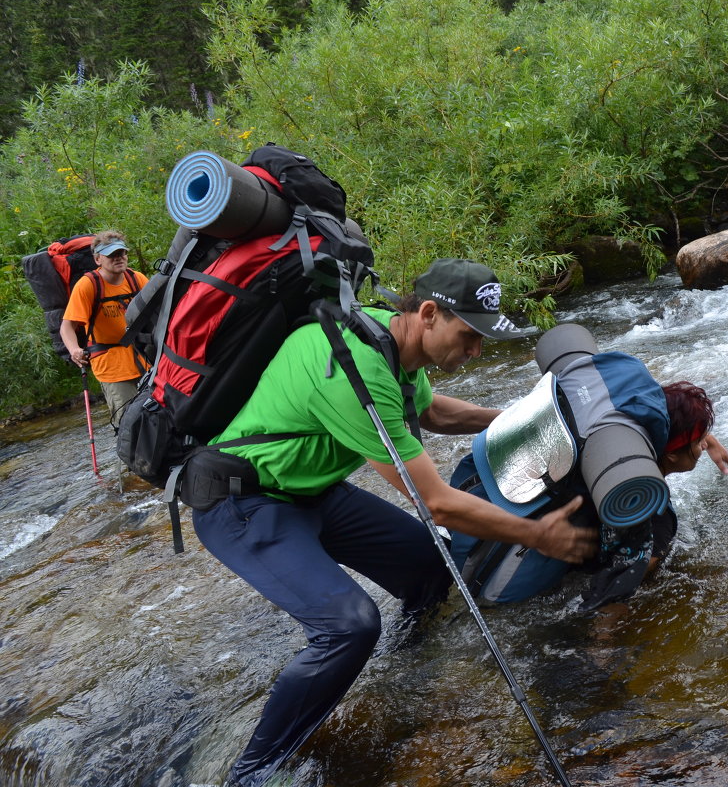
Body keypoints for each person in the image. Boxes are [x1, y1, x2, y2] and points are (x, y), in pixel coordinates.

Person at [189, 258, 597, 787]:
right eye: (469, 335)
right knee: (349, 626)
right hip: (240, 503)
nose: (475, 351)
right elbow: (439, 503)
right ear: (429, 313)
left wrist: (520, 419)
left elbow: (433, 414)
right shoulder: (352, 366)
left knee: (431, 565)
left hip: (309, 491)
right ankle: (253, 771)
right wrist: (537, 534)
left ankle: (406, 667)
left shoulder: (388, 338)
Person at [450, 376, 728, 612]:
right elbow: (616, 590)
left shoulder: (596, 432)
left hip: (461, 539)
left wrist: (702, 437)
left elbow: (644, 408)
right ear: (671, 456)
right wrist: (603, 658)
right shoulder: (651, 514)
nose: (703, 447)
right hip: (501, 599)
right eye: (699, 442)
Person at [58, 230, 148, 425]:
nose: (119, 258)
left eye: (122, 253)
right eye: (112, 255)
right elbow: (67, 327)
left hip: (145, 358)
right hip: (111, 366)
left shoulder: (136, 279)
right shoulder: (88, 285)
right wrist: (74, 350)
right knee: (129, 425)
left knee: (160, 416)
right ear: (98, 259)